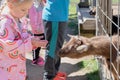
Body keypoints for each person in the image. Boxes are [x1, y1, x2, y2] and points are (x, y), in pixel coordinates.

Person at [0, 0, 48, 80]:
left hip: (17, 67)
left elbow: (22, 36)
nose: (26, 13)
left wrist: (32, 39)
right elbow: (7, 46)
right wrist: (31, 43)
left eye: (28, 9)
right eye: (23, 9)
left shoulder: (19, 18)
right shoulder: (5, 23)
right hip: (7, 69)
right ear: (10, 5)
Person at [42, 0, 70, 80]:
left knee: (57, 47)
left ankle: (54, 73)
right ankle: (49, 76)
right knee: (53, 48)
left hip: (59, 16)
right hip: (55, 17)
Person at [28, 0, 46, 66]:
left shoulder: (41, 4)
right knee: (36, 45)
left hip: (42, 28)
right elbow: (33, 19)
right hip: (37, 30)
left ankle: (37, 57)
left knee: (40, 44)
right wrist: (36, 28)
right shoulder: (33, 6)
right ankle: (35, 60)